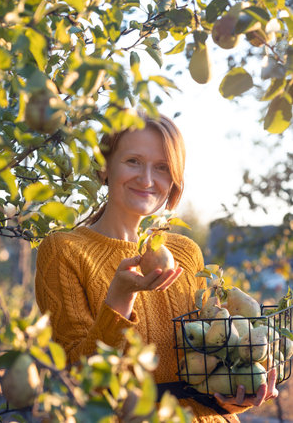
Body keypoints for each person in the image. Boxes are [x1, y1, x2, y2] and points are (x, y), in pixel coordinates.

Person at [35, 111, 278, 422]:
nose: (147, 179)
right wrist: (120, 298)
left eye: (162, 168)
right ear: (105, 165)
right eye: (133, 161)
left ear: (174, 178)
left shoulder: (185, 252)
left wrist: (234, 398)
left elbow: (208, 368)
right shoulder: (64, 251)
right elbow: (77, 381)